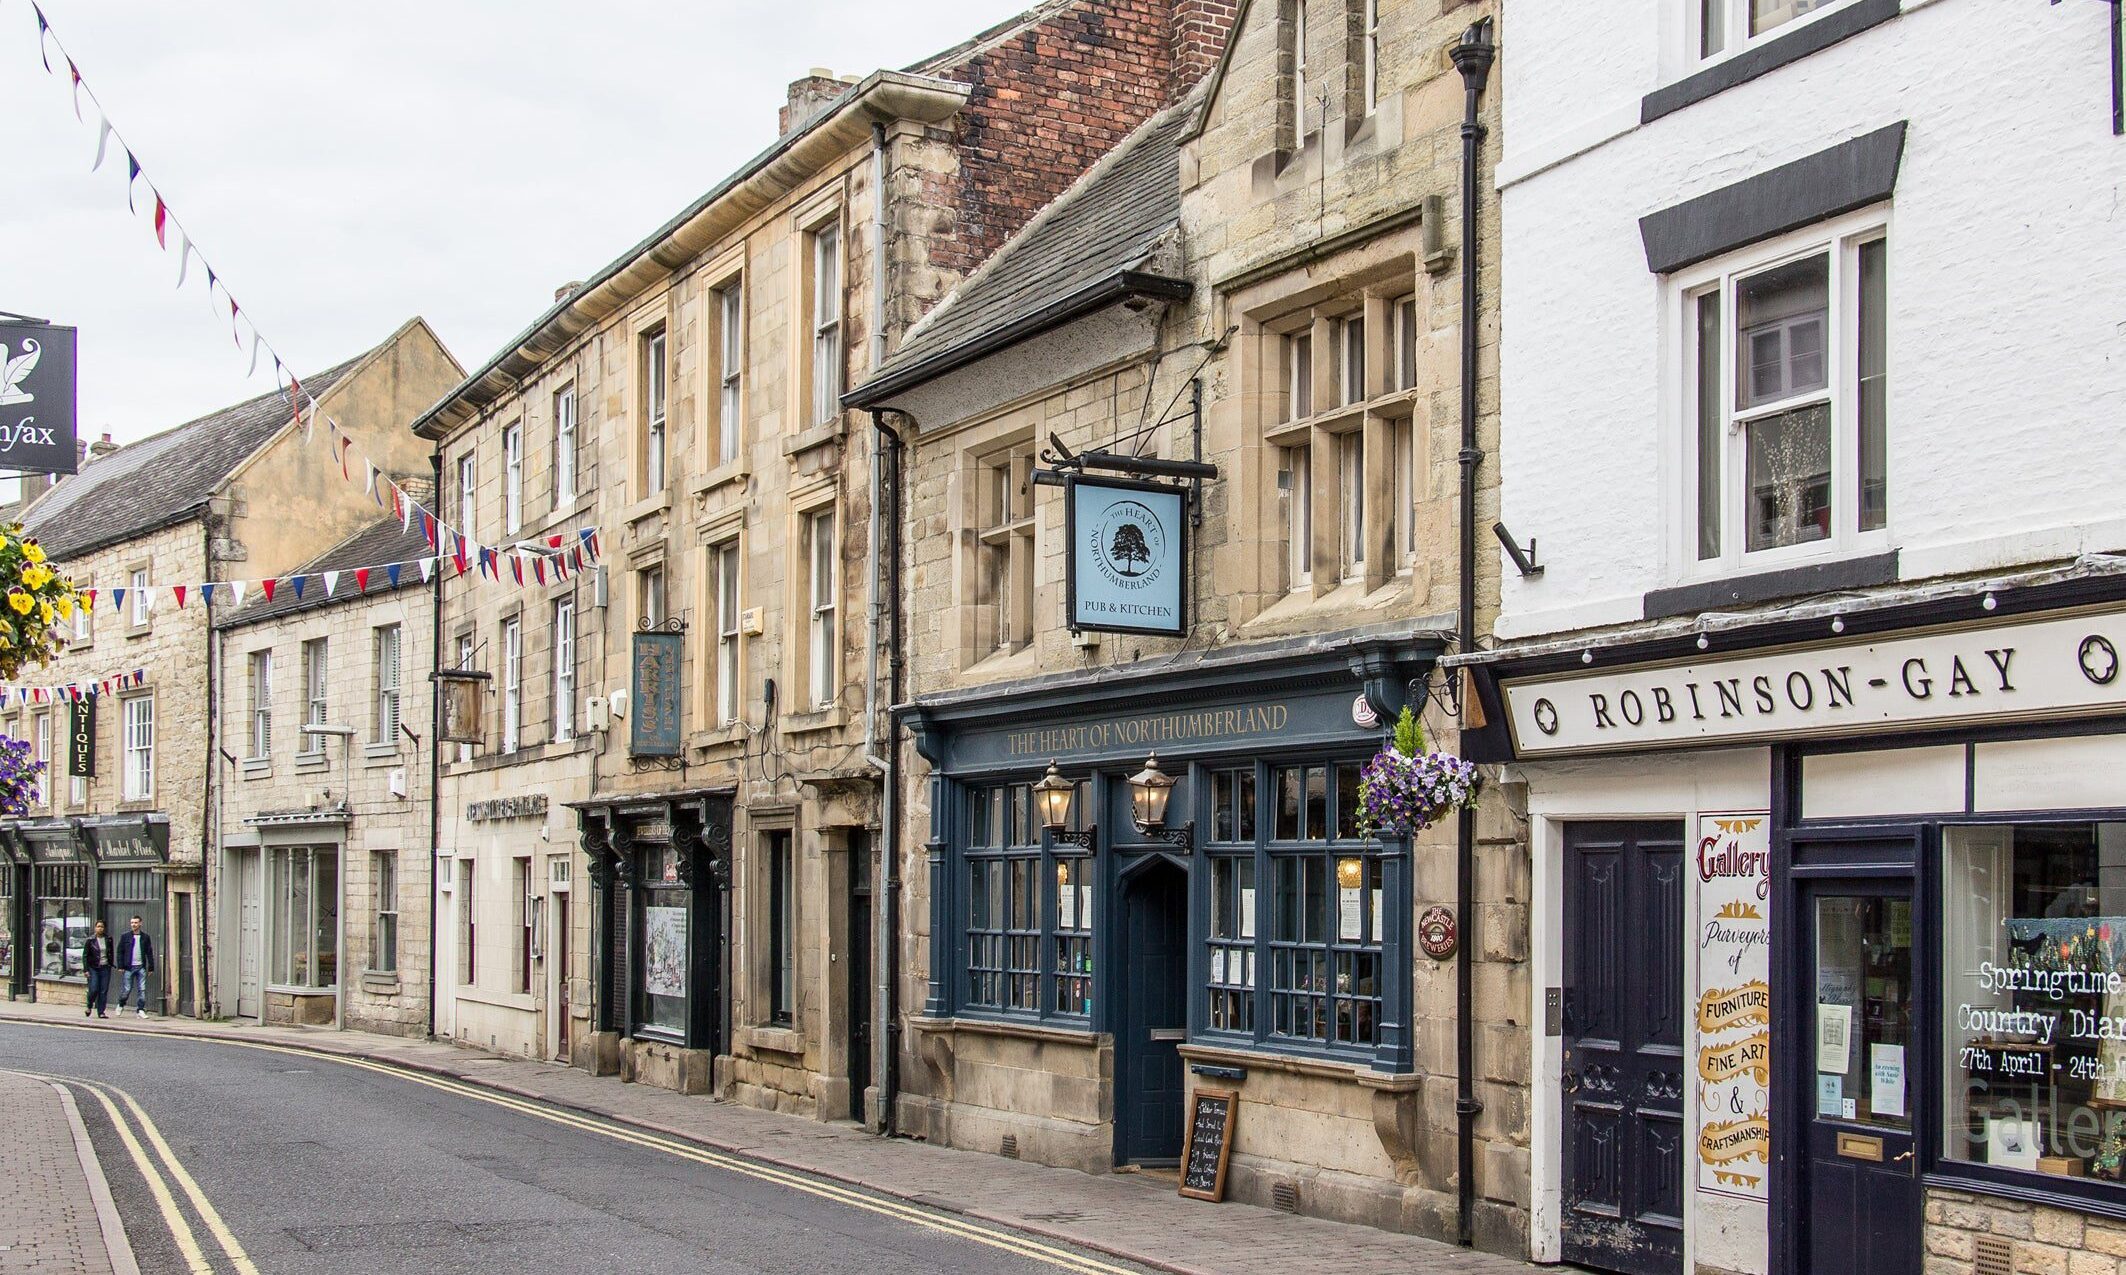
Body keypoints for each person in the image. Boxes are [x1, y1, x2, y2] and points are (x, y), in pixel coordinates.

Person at [114, 916, 155, 1018]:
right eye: (132, 923)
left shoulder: (145, 937)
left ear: (140, 923)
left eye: (136, 923)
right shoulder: (125, 936)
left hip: (141, 967)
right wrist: (120, 966)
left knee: (142, 989)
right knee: (127, 989)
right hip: (128, 967)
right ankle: (121, 1004)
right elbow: (120, 952)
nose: (133, 925)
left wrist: (151, 967)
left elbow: (149, 952)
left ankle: (140, 1009)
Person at [82, 920, 111, 1019]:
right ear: (95, 928)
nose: (100, 928)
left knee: (103, 990)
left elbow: (110, 953)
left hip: (105, 967)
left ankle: (101, 1012)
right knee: (94, 989)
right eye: (98, 926)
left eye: (102, 927)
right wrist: (86, 970)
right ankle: (89, 1005)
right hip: (93, 967)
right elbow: (85, 955)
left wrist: (111, 963)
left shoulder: (108, 939)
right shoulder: (90, 940)